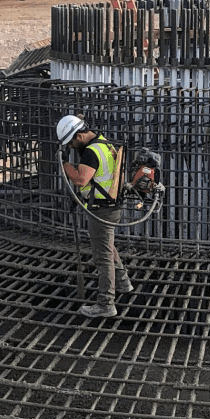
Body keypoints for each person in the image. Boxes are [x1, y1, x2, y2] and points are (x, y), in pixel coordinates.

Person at [58, 114, 133, 318]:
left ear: (79, 136)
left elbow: (81, 180)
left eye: (72, 143)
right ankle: (124, 283)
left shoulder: (91, 152)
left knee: (102, 256)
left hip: (102, 210)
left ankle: (106, 303)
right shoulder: (104, 143)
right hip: (111, 205)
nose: (72, 147)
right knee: (107, 247)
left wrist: (65, 165)